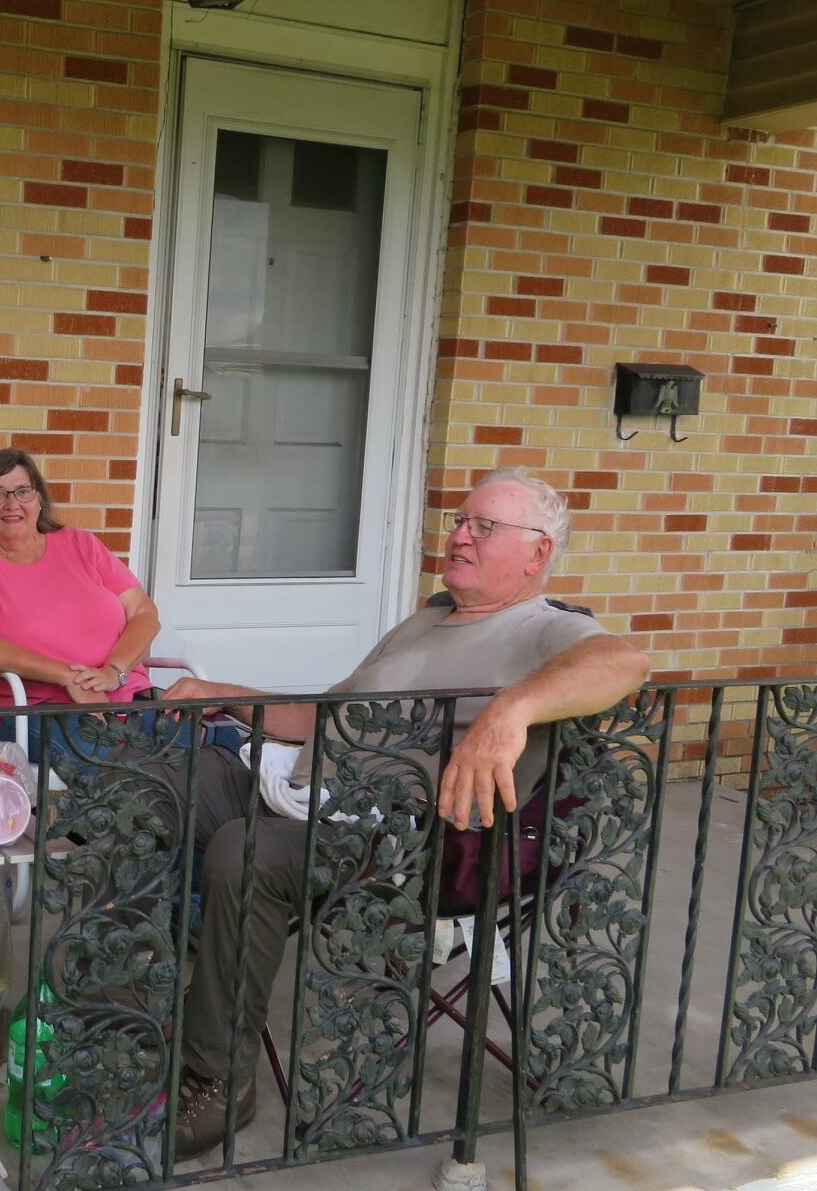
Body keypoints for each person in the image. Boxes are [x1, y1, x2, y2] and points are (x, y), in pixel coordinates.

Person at [155, 466, 651, 1159]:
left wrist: (510, 710)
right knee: (154, 782)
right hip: (307, 792)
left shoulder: (545, 628)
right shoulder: (426, 620)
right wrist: (221, 693)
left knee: (246, 852)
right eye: (460, 520)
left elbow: (624, 663)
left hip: (397, 843)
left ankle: (217, 1077)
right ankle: (137, 991)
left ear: (536, 552)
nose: (460, 536)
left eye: (484, 526)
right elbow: (325, 717)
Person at [0, 447, 162, 733]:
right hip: (41, 711)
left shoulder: (82, 545)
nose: (12, 504)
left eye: (23, 491)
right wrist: (69, 677)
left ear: (39, 499)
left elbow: (143, 612)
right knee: (113, 755)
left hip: (130, 701)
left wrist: (113, 672)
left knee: (206, 741)